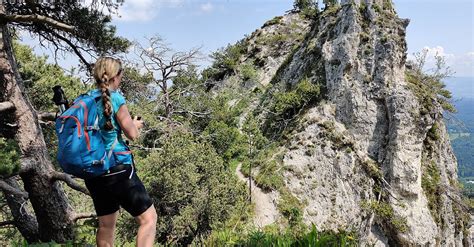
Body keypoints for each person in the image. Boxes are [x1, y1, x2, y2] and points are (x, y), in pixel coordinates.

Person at [85, 57, 157, 247]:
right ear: (115, 77)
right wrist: (136, 125)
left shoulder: (87, 99)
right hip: (116, 167)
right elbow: (132, 135)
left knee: (106, 226)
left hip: (93, 171)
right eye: (121, 74)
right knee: (148, 219)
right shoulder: (115, 98)